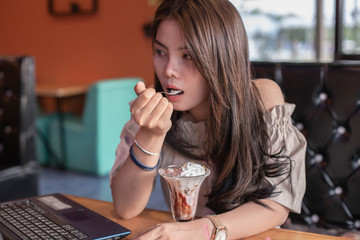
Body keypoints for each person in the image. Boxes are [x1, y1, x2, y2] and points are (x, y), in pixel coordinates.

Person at [110, 0, 306, 239]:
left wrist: (197, 231)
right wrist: (151, 135)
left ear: (222, 57)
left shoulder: (261, 99)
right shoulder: (154, 110)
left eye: (187, 55)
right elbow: (126, 207)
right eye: (161, 52)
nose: (168, 70)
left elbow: (275, 206)